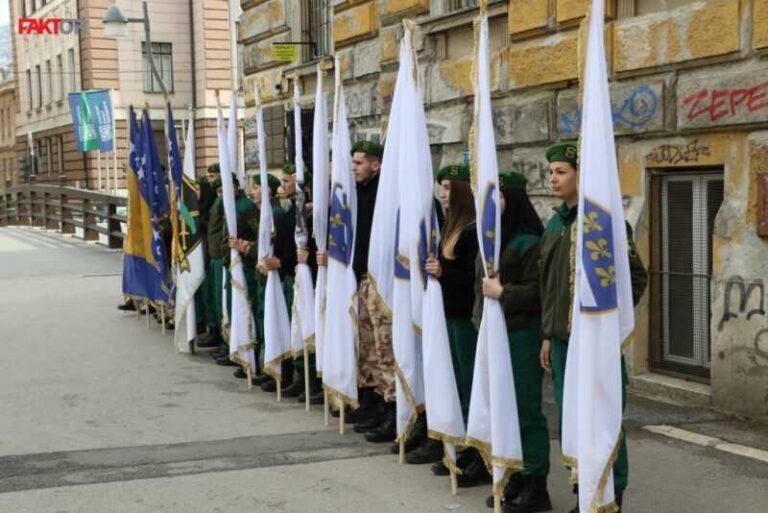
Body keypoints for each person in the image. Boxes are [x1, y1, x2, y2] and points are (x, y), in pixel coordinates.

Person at [538, 142, 647, 513]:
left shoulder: (604, 223)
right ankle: (586, 492)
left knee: (604, 417)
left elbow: (634, 277)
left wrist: (604, 324)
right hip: (564, 340)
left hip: (595, 341)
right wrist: (548, 335)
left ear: (580, 175)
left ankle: (614, 494)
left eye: (561, 172)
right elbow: (548, 284)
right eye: (550, 172)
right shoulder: (554, 223)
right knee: (573, 418)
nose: (553, 178)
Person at [475, 170, 551, 512]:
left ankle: (536, 484)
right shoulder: (495, 238)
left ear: (514, 200)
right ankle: (514, 474)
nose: (494, 205)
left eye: (500, 198)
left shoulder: (530, 241)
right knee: (503, 406)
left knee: (525, 410)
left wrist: (502, 292)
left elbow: (538, 294)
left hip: (523, 333)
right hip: (498, 331)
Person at [419, 164, 479, 467]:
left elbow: (472, 278)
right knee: (453, 377)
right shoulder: (448, 227)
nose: (442, 195)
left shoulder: (472, 231)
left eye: (447, 188)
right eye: (441, 188)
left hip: (464, 315)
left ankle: (472, 446)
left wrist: (444, 272)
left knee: (467, 380)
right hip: (448, 314)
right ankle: (456, 440)